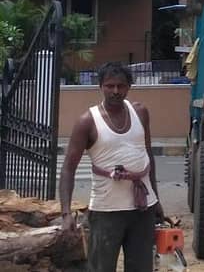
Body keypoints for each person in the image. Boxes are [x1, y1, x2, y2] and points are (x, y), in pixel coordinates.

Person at [59, 62, 163, 272]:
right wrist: (66, 213)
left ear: (128, 87)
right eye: (110, 86)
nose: (115, 91)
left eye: (121, 86)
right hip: (106, 211)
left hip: (142, 209)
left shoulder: (140, 113)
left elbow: (148, 157)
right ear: (101, 86)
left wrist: (157, 200)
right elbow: (68, 168)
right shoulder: (87, 121)